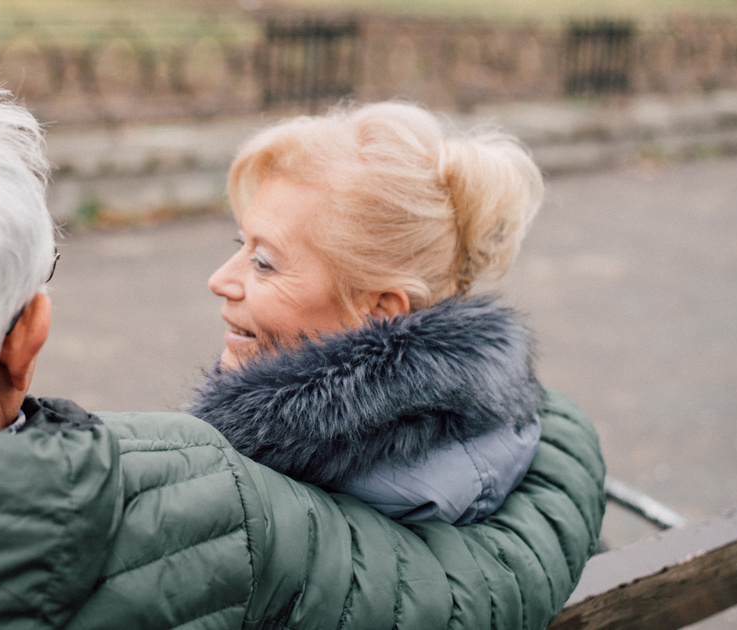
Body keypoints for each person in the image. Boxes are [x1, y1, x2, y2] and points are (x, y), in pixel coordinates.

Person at [0, 77, 604, 629]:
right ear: (27, 338)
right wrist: (544, 419)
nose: (225, 277)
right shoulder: (209, 505)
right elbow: (471, 587)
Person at [191, 102, 551, 524]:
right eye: (242, 247)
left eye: (265, 263)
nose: (219, 280)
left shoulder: (283, 508)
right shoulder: (504, 419)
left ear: (381, 312)